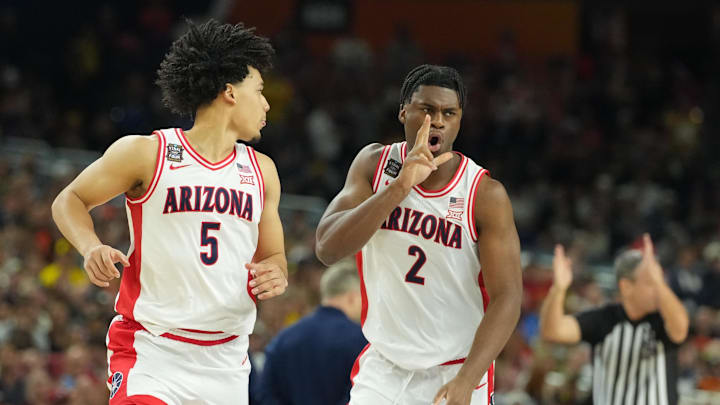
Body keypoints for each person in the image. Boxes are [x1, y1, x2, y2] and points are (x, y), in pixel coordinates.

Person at [51, 19, 288, 405]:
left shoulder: (263, 171)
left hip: (226, 361)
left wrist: (276, 274)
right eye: (258, 90)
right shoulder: (148, 153)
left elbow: (274, 257)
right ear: (229, 91)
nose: (266, 102)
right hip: (152, 351)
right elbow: (69, 199)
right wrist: (90, 246)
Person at [315, 64, 523, 405]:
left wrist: (467, 379)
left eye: (449, 113)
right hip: (383, 367)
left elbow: (509, 297)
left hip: (453, 370)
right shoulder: (373, 165)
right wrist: (399, 188)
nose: (438, 120)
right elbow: (326, 248)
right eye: (427, 109)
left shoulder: (484, 195)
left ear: (458, 121)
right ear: (403, 112)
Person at [539, 234, 689, 405]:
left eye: (660, 282)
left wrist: (659, 283)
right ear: (626, 286)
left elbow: (681, 328)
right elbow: (552, 331)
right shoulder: (604, 319)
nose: (657, 290)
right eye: (650, 283)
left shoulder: (663, 319)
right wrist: (558, 289)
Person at [258, 258, 368, 405]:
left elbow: (265, 393)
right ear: (352, 297)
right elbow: (364, 394)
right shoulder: (361, 340)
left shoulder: (284, 338)